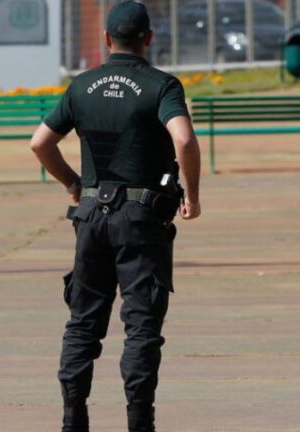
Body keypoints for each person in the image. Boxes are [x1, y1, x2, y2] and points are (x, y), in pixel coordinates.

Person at [29, 2, 201, 431]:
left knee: (83, 322)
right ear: (149, 37)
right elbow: (183, 139)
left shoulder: (81, 85)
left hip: (90, 217)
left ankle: (73, 416)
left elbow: (39, 144)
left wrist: (73, 184)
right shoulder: (161, 86)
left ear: (107, 39)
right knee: (141, 325)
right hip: (141, 220)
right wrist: (193, 196)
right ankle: (139, 419)